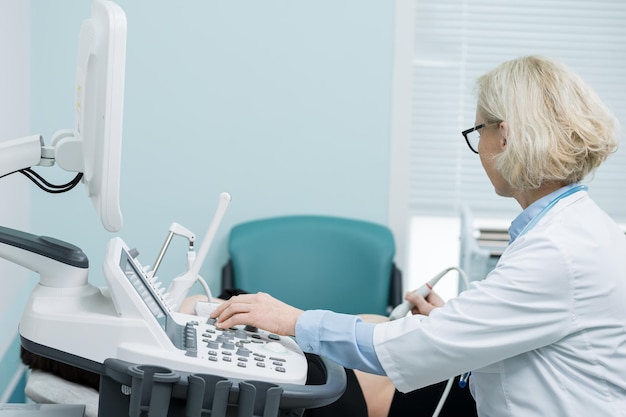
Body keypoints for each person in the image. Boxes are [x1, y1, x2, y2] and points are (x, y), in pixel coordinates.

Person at [210, 55, 626, 417]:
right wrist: (464, 323)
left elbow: (412, 349)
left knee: (228, 317)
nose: (478, 145)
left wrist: (293, 321)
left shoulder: (558, 249)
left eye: (477, 130)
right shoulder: (576, 231)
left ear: (506, 135)